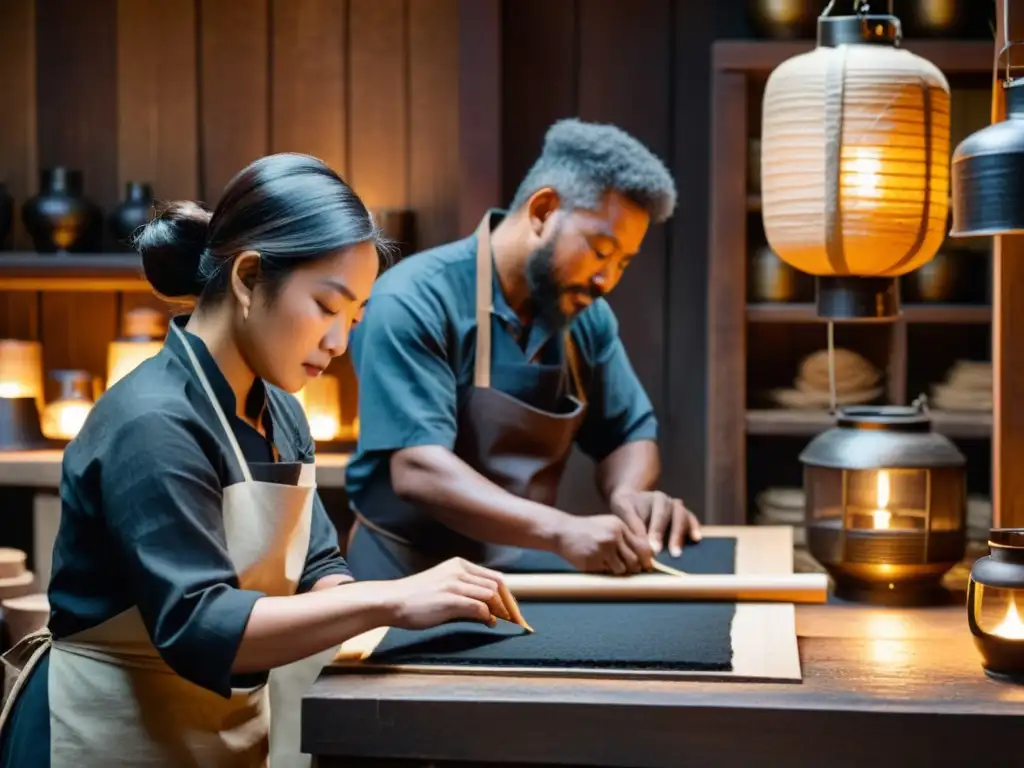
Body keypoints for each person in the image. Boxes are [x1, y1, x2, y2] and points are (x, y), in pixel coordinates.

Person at [0, 153, 519, 768]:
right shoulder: (152, 422)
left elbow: (315, 560)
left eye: (354, 318)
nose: (339, 342)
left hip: (215, 732)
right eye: (327, 308)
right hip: (97, 732)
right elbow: (200, 624)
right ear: (248, 278)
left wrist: (361, 612)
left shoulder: (282, 410)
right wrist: (390, 600)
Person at [344, 118, 701, 582]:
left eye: (622, 262)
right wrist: (560, 530)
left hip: (516, 571)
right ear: (543, 211)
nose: (606, 280)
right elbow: (418, 469)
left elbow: (629, 432)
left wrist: (628, 494)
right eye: (600, 250)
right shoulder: (412, 300)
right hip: (405, 573)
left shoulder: (586, 318)